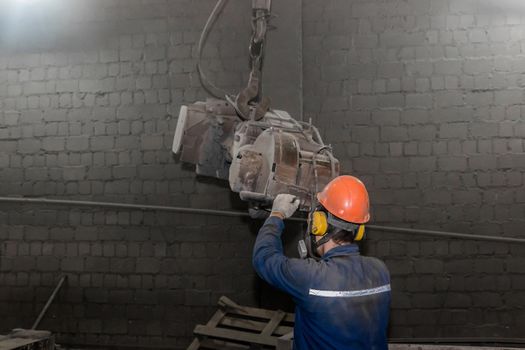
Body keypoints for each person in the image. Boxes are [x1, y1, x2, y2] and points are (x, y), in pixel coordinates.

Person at [252, 175, 391, 350]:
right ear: (359, 230)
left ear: (320, 224)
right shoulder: (380, 271)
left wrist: (276, 215)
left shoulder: (311, 277)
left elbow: (263, 258)